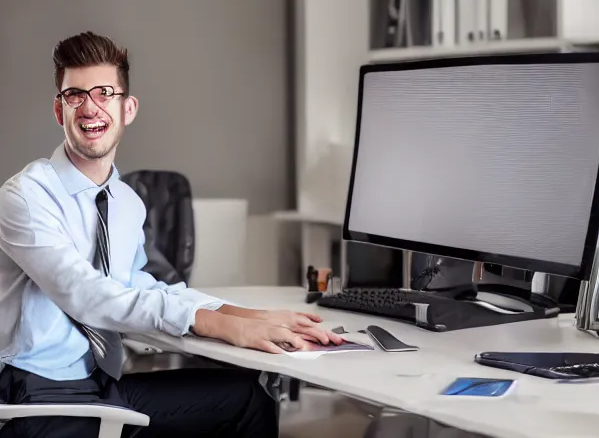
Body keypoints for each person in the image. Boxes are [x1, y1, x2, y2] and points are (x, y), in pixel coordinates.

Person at [0, 31, 343, 437]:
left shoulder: (126, 202)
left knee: (249, 397)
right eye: (75, 95)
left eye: (104, 92)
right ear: (60, 110)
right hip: (34, 397)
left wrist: (245, 316)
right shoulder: (25, 195)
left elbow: (139, 285)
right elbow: (85, 294)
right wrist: (216, 325)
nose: (90, 107)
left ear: (128, 108)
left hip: (99, 388)